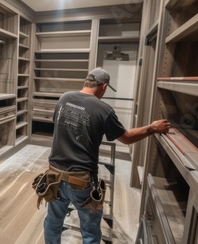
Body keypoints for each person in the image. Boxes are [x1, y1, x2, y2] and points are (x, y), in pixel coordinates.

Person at [42, 67, 171, 244]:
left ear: (86, 82)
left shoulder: (64, 98)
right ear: (103, 86)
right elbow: (126, 138)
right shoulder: (103, 109)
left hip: (54, 176)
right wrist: (151, 128)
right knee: (90, 231)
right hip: (81, 181)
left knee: (53, 221)